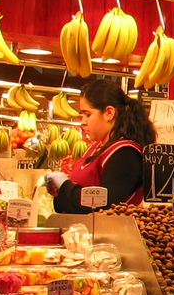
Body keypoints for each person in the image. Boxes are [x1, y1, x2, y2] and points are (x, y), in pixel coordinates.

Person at [45, 79, 156, 214]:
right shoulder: (94, 147)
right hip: (80, 232)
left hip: (107, 233)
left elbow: (105, 205)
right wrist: (60, 194)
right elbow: (77, 203)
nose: (83, 122)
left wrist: (65, 186)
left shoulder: (125, 153)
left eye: (88, 114)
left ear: (109, 113)